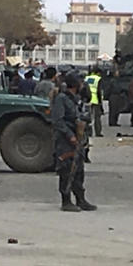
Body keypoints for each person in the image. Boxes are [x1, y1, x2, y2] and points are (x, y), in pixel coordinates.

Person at [51, 73, 96, 212]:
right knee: (67, 169)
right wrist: (70, 135)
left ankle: (80, 199)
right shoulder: (61, 99)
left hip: (78, 137)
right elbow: (58, 120)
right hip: (66, 140)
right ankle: (66, 200)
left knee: (78, 169)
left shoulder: (75, 99)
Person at [83, 66, 104, 137]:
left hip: (87, 99)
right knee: (97, 117)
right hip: (95, 99)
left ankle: (89, 132)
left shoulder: (87, 78)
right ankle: (98, 132)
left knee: (87, 116)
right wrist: (100, 103)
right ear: (98, 73)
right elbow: (98, 91)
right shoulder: (98, 79)